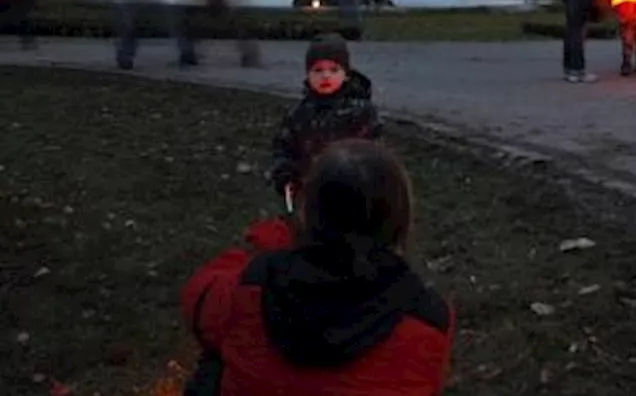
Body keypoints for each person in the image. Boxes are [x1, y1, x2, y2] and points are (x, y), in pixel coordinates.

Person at [180, 140, 453, 395]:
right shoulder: (428, 318)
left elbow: (198, 300)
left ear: (308, 212)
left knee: (213, 365)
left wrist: (265, 247)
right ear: (399, 220)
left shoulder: (253, 286)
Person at [270, 34, 381, 200]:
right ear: (308, 74)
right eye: (318, 70)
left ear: (346, 74)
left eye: (334, 70)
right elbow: (284, 147)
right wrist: (284, 173)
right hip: (309, 194)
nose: (326, 76)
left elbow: (375, 151)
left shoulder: (361, 112)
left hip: (353, 192)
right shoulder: (299, 114)